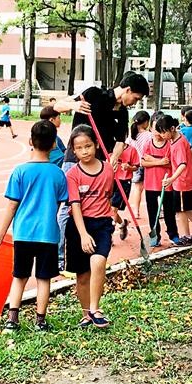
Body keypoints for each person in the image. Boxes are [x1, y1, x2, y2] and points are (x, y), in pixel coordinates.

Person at [53, 72, 149, 271]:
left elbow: (121, 141)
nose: (134, 103)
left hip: (100, 165)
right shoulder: (93, 94)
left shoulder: (122, 113)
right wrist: (74, 106)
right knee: (67, 208)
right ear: (128, 90)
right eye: (136, 98)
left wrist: (113, 159)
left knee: (98, 206)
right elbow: (57, 106)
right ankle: (61, 258)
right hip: (75, 161)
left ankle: (93, 249)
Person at [0, 120, 68, 331]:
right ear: (54, 144)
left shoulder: (20, 171)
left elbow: (12, 206)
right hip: (48, 235)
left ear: (30, 141)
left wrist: (0, 233)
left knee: (19, 276)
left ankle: (12, 320)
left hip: (23, 233)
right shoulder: (58, 174)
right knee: (44, 279)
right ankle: (40, 321)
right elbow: (61, 203)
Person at [64, 124, 115, 328]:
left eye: (88, 146)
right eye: (79, 148)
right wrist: (83, 234)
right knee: (83, 275)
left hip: (102, 224)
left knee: (98, 262)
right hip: (78, 226)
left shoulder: (108, 169)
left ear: (95, 145)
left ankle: (95, 308)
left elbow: (108, 195)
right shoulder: (72, 175)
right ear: (73, 151)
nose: (85, 151)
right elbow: (75, 205)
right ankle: (87, 314)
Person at [156, 115, 192, 246]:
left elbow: (182, 164)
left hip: (182, 181)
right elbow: (191, 151)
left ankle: (186, 236)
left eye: (163, 132)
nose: (162, 135)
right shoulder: (179, 137)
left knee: (181, 210)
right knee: (187, 207)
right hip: (187, 178)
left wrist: (172, 179)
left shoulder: (178, 143)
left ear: (172, 129)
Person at [141, 112, 179, 246]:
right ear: (150, 129)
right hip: (150, 184)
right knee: (153, 213)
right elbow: (143, 163)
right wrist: (159, 162)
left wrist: (154, 159)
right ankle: (155, 236)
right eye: (154, 128)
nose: (157, 132)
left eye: (160, 129)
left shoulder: (170, 144)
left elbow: (171, 163)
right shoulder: (147, 144)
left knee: (169, 212)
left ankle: (173, 235)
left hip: (166, 184)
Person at [126, 110, 152, 219]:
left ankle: (136, 211)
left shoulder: (131, 135)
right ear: (146, 122)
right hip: (147, 163)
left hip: (136, 164)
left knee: (138, 188)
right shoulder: (148, 135)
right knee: (152, 189)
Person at [111, 142, 139, 240]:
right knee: (108, 209)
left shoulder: (132, 150)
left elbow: (136, 167)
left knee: (113, 209)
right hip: (111, 180)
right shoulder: (109, 148)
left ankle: (108, 235)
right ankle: (122, 223)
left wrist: (129, 167)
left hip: (124, 182)